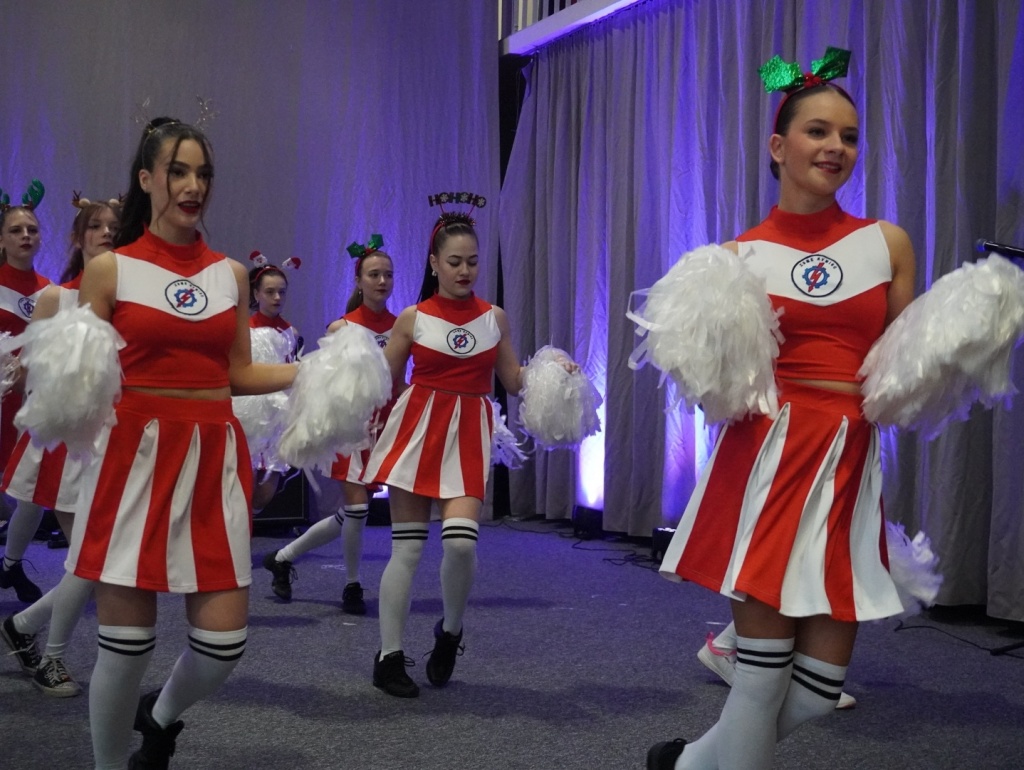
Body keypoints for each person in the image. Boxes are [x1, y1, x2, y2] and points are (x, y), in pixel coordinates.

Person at [645, 48, 916, 770]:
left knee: (819, 690)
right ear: (778, 146)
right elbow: (714, 380)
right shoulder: (737, 257)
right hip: (766, 462)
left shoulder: (886, 244)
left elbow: (902, 366)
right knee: (762, 686)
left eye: (849, 136)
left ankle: (685, 765)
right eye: (817, 131)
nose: (835, 148)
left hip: (848, 464)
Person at [64, 118, 296, 770]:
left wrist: (317, 371)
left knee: (223, 645)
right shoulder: (109, 270)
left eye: (204, 174)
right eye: (178, 172)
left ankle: (160, 717)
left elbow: (237, 373)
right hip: (133, 459)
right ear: (147, 179)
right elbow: (81, 378)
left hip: (213, 459)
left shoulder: (231, 275)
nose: (194, 186)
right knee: (125, 648)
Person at [362, 199, 526, 698]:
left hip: (469, 434)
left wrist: (554, 374)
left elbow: (514, 380)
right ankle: (389, 656)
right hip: (416, 432)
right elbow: (384, 380)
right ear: (434, 263)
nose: (464, 270)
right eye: (454, 261)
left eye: (472, 261)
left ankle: (450, 632)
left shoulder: (494, 318)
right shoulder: (412, 318)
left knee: (459, 543)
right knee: (407, 549)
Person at [0, 198, 120, 697]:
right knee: (93, 560)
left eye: (114, 226)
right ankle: (46, 653)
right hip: (70, 448)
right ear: (77, 237)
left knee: (99, 560)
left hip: (122, 441)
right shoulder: (56, 298)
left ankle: (24, 627)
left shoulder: (131, 299)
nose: (106, 233)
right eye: (96, 226)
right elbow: (30, 376)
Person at [262, 237, 396, 613]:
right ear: (358, 280)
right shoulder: (342, 327)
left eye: (388, 275)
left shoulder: (402, 325)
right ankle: (352, 585)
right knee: (357, 510)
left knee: (352, 513)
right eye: (374, 274)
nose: (382, 281)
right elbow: (327, 383)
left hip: (386, 427)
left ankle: (282, 557)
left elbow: (401, 379)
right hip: (351, 429)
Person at [0, 184, 52, 605]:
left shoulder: (51, 291)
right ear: (2, 239)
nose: (25, 236)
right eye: (16, 230)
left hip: (32, 404)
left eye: (32, 230)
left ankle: (11, 564)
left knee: (34, 489)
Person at [246, 256, 301, 511]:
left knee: (265, 493)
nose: (277, 297)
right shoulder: (244, 330)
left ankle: (250, 523)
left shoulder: (291, 332)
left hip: (278, 416)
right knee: (243, 488)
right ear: (256, 294)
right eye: (270, 292)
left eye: (282, 292)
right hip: (249, 414)